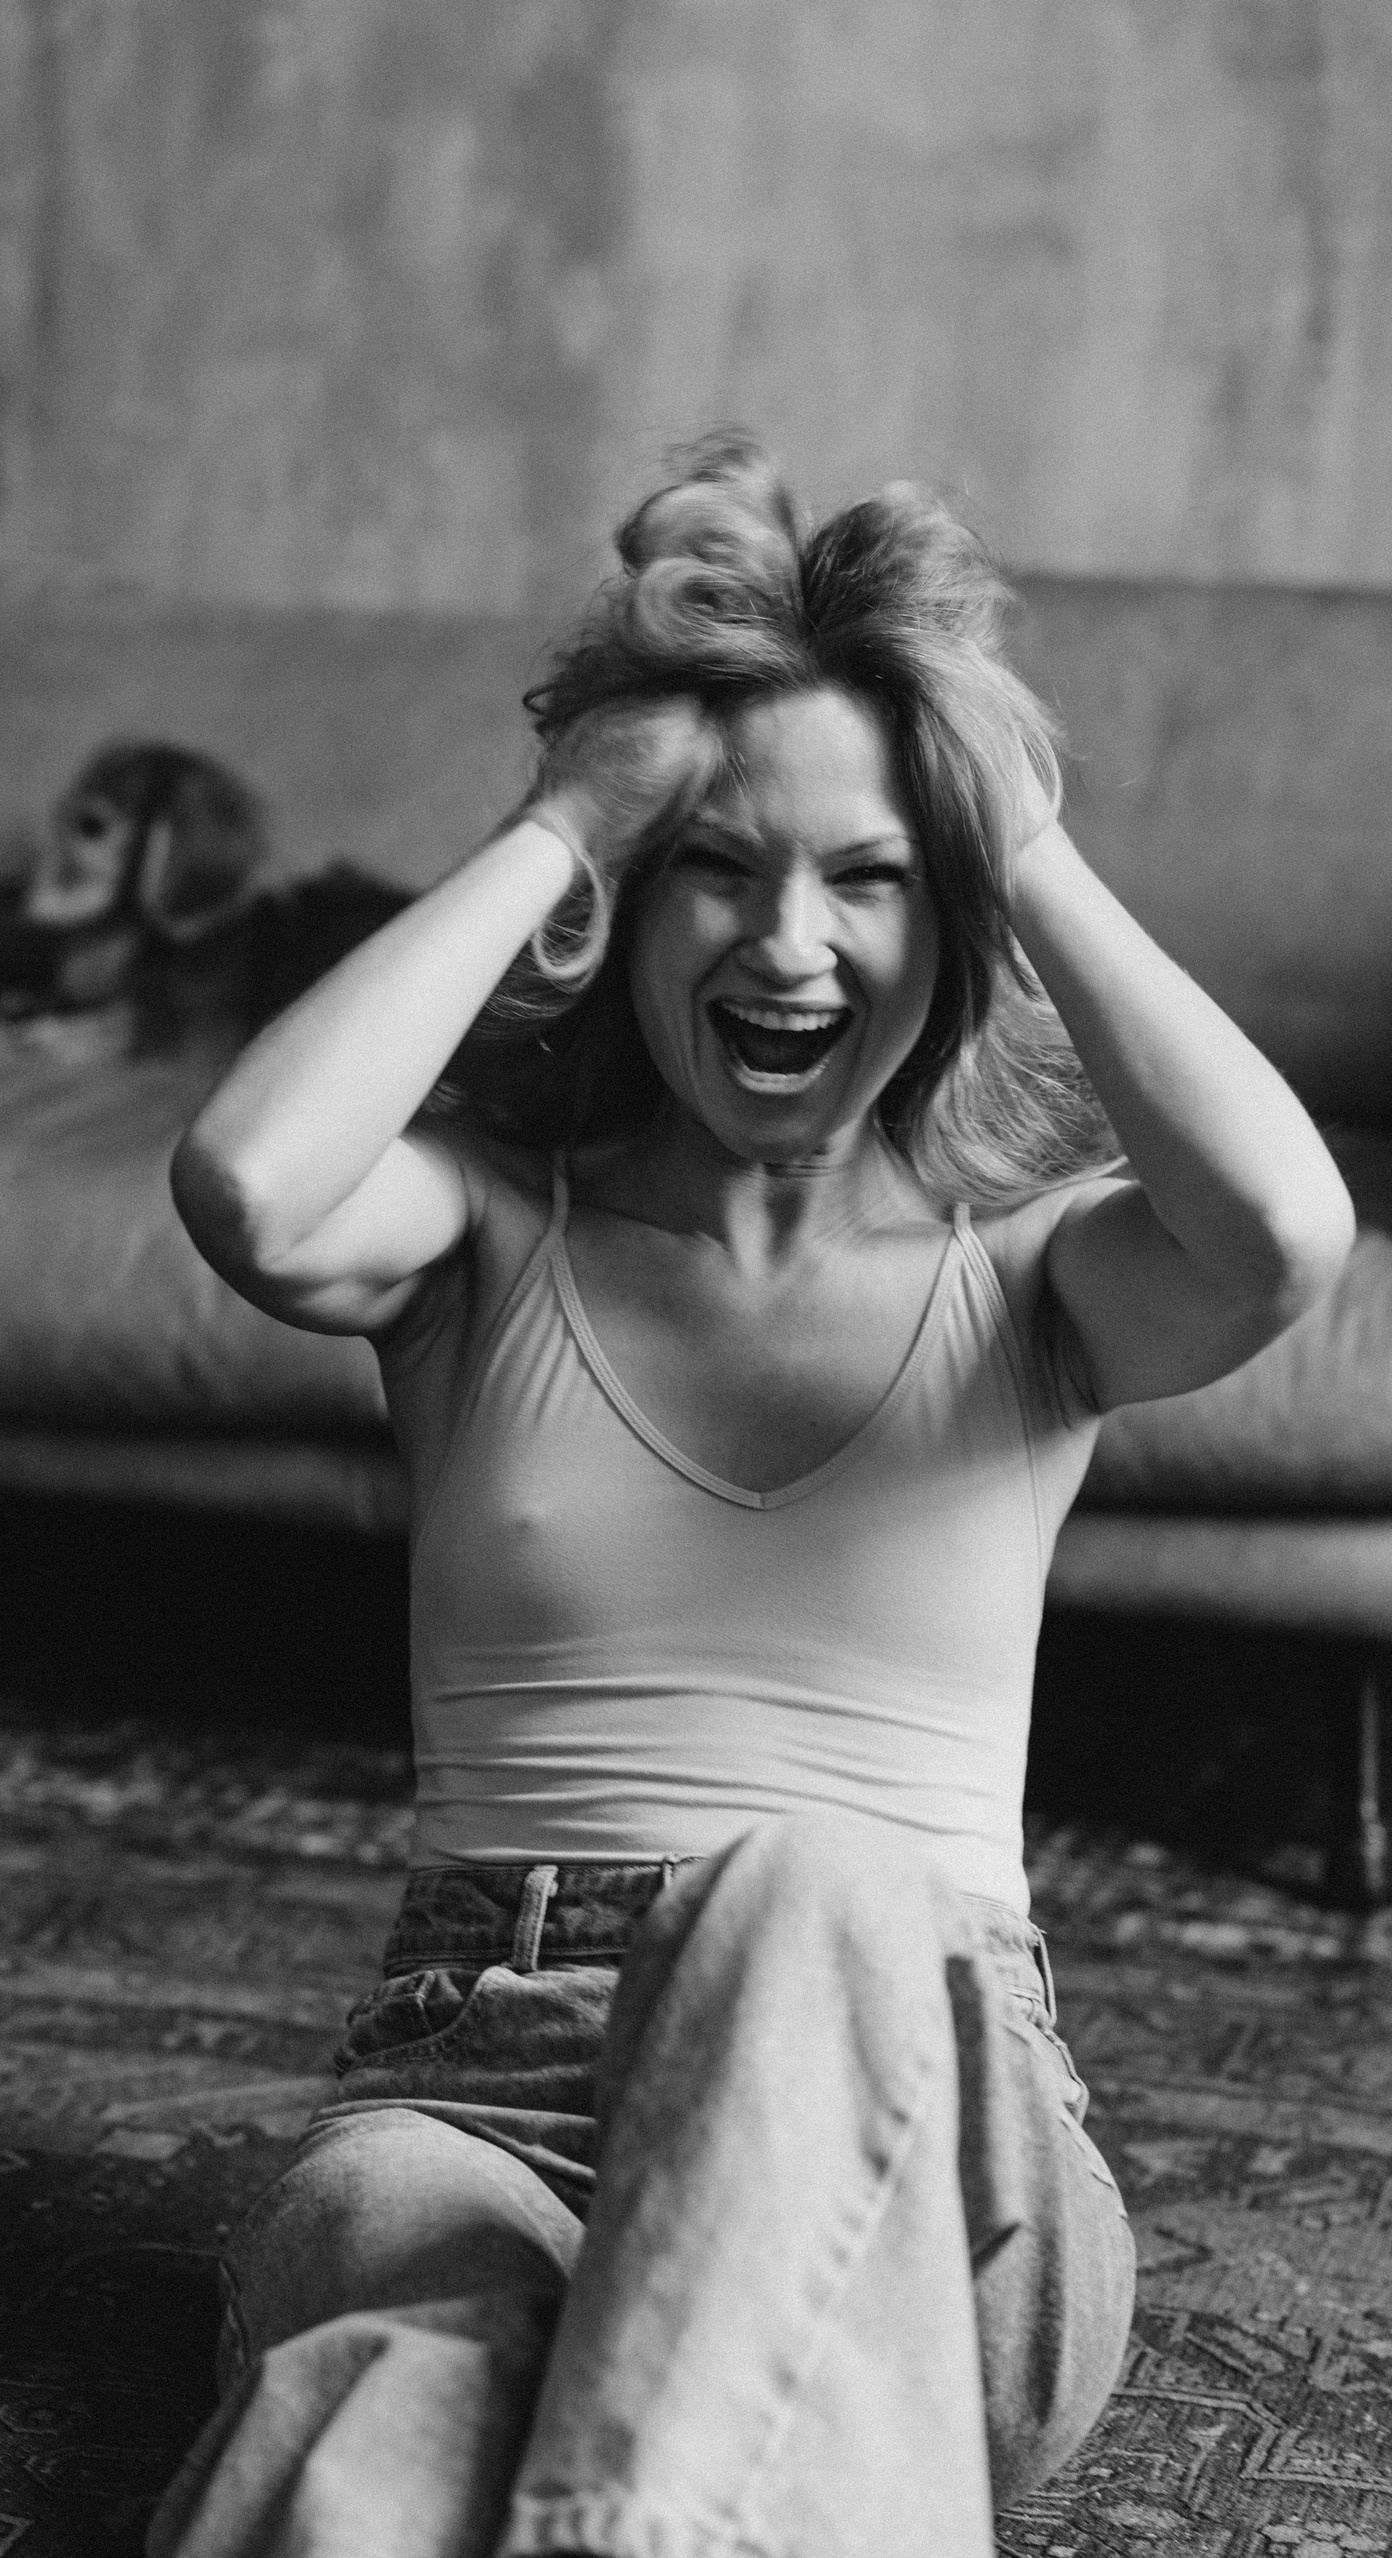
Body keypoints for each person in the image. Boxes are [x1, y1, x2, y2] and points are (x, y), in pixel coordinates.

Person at [153, 435, 1356, 2558]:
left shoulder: (1036, 1277)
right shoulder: (481, 1234)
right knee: (375, 2368)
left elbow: (1282, 1232)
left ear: (951, 908)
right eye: (716, 863)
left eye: (870, 876)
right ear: (631, 901)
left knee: (800, 1891)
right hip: (481, 2101)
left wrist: (1014, 824)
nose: (790, 941)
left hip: (923, 2149)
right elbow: (249, 1182)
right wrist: (564, 815)